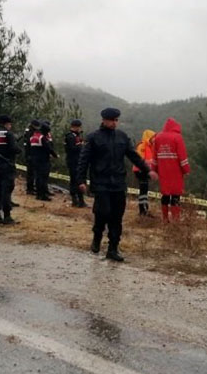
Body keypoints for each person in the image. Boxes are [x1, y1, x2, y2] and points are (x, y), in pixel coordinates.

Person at [77, 107, 158, 261]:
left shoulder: (122, 137)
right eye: (112, 120)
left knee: (117, 216)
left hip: (118, 183)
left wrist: (148, 170)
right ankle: (97, 237)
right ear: (104, 120)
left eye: (116, 120)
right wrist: (80, 181)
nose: (115, 123)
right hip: (101, 182)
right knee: (102, 213)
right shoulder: (93, 137)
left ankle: (113, 248)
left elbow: (134, 156)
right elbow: (83, 161)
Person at [152, 117, 190, 223]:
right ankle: (175, 220)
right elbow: (182, 157)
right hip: (176, 172)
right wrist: (186, 170)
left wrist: (153, 170)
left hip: (163, 171)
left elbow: (154, 157)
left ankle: (165, 219)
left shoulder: (158, 137)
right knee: (175, 195)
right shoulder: (177, 137)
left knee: (165, 194)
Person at [30, 121, 57, 201]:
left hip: (35, 159)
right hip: (43, 160)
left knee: (38, 177)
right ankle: (43, 195)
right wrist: (55, 155)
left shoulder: (33, 137)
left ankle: (38, 194)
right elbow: (48, 148)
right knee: (43, 178)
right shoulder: (42, 138)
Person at [64, 119, 87, 208]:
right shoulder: (70, 137)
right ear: (76, 127)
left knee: (78, 181)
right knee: (75, 181)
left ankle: (80, 201)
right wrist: (81, 145)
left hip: (77, 161)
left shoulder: (76, 136)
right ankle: (76, 200)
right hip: (73, 162)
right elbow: (72, 149)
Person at [133, 129, 156, 216]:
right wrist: (150, 163)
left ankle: (144, 209)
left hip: (145, 170)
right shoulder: (142, 145)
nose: (154, 139)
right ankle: (142, 210)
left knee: (144, 190)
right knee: (143, 190)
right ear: (149, 137)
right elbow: (140, 159)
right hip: (140, 170)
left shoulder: (150, 146)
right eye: (153, 137)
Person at [23, 120, 41, 195]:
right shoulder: (30, 132)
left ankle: (31, 188)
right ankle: (30, 189)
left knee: (31, 173)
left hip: (29, 154)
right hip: (30, 154)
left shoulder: (28, 130)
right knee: (30, 173)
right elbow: (29, 144)